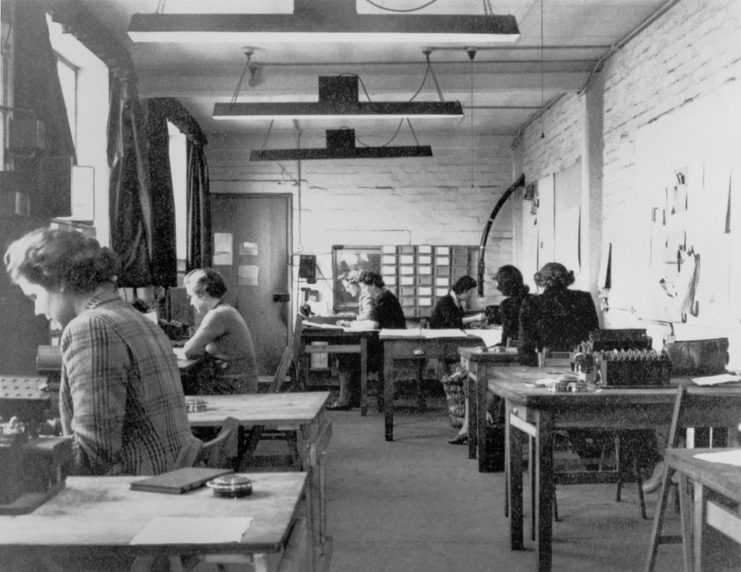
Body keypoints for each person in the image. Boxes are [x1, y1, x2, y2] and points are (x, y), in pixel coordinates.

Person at [4, 227, 201, 477]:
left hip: (137, 495)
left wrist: (18, 452)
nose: (38, 311)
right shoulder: (135, 318)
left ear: (60, 281)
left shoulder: (91, 326)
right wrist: (44, 431)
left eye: (34, 297)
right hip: (169, 477)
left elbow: (92, 458)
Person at [327, 271, 406, 410]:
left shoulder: (384, 299)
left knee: (347, 357)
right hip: (386, 344)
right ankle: (351, 399)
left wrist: (350, 324)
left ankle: (346, 400)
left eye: (364, 288)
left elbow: (372, 324)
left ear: (373, 285)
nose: (363, 291)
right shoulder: (383, 297)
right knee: (350, 356)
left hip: (389, 347)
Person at [183, 268, 258, 394]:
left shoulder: (218, 315)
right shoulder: (226, 310)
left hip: (234, 387)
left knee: (185, 388)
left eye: (191, 296)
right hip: (239, 382)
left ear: (204, 294)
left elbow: (189, 350)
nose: (191, 302)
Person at [519, 262, 599, 366]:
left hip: (545, 363)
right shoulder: (584, 298)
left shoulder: (531, 302)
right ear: (567, 279)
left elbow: (524, 345)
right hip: (580, 362)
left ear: (541, 281)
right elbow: (595, 334)